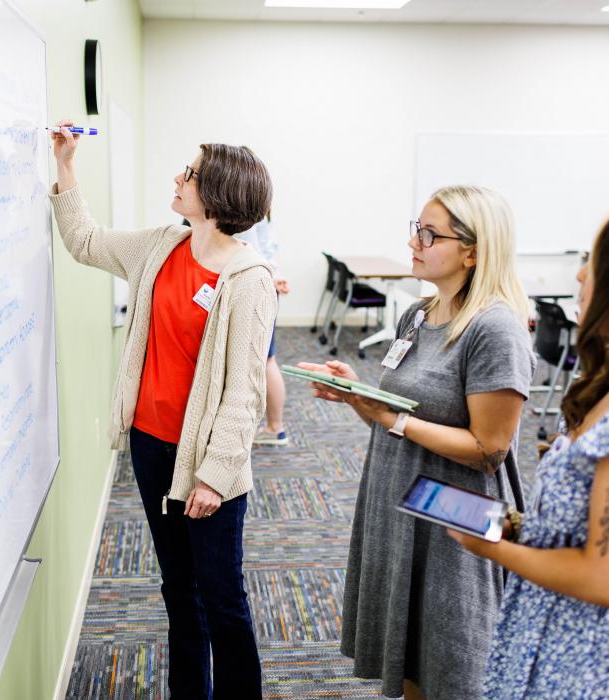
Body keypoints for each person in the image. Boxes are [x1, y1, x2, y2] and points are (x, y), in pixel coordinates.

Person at [49, 120, 276, 700]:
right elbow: (86, 242)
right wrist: (66, 167)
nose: (179, 177)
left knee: (221, 598)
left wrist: (215, 475)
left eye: (191, 173)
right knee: (178, 590)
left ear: (218, 193)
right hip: (151, 445)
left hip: (205, 465)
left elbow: (244, 392)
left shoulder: (247, 279)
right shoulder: (162, 245)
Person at [298, 185, 535, 700]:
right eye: (416, 229)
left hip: (457, 516)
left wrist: (391, 419)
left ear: (473, 251)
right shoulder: (419, 315)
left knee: (453, 667)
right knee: (410, 662)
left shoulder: (496, 330)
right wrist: (359, 397)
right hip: (398, 500)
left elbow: (490, 449)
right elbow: (399, 414)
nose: (414, 243)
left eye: (430, 234)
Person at [450, 224, 609, 699]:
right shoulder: (598, 385)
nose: (580, 273)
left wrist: (494, 549)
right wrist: (515, 526)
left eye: (593, 262)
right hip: (545, 624)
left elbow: (601, 577)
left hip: (580, 654)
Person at [235, 212, 290, 446]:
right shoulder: (261, 206)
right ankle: (274, 427)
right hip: (266, 283)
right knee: (266, 359)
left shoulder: (243, 209)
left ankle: (275, 427)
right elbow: (268, 247)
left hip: (256, 287)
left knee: (265, 360)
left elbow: (249, 250)